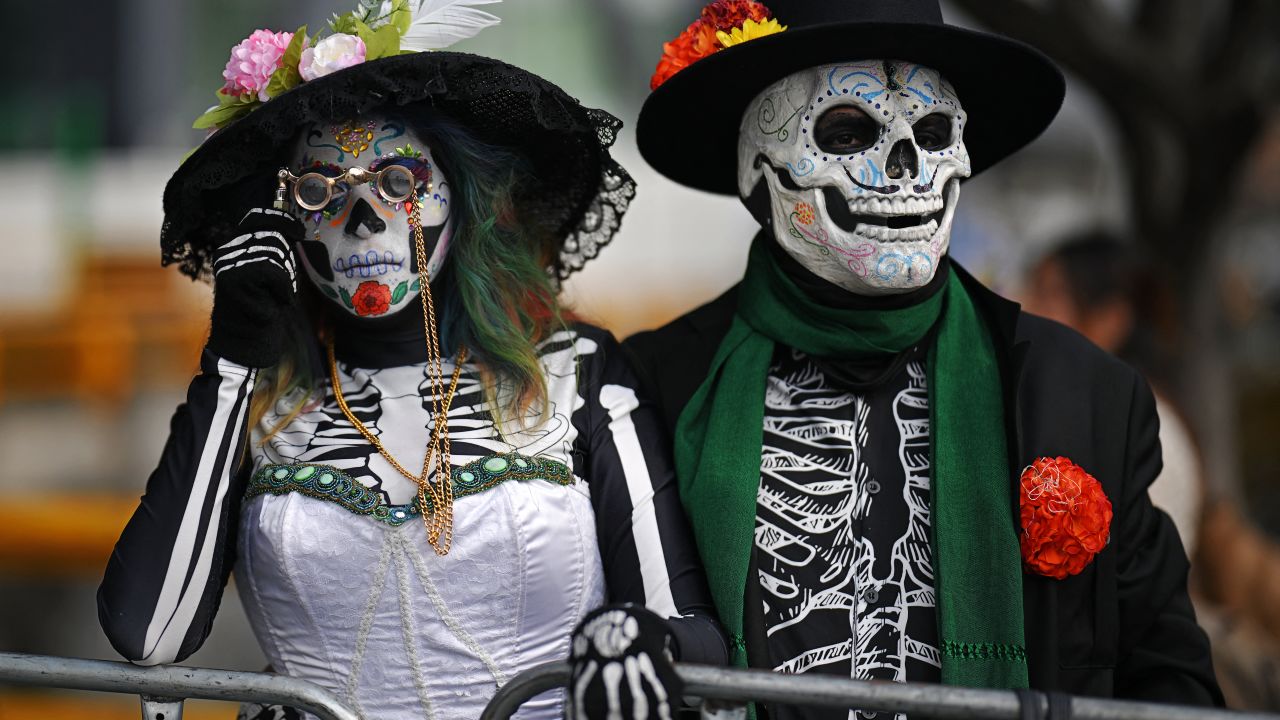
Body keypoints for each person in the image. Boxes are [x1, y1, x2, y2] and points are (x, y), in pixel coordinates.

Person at [97, 3, 725, 718]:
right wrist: (233, 365)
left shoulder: (579, 376)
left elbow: (688, 629)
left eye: (398, 182)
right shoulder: (257, 403)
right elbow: (149, 636)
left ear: (466, 197)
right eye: (319, 191)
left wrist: (634, 640)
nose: (363, 217)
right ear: (282, 223)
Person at [624, 0, 1223, 717]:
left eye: (933, 134)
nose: (904, 166)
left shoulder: (1084, 394)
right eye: (847, 132)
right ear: (760, 168)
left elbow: (1167, 678)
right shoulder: (654, 388)